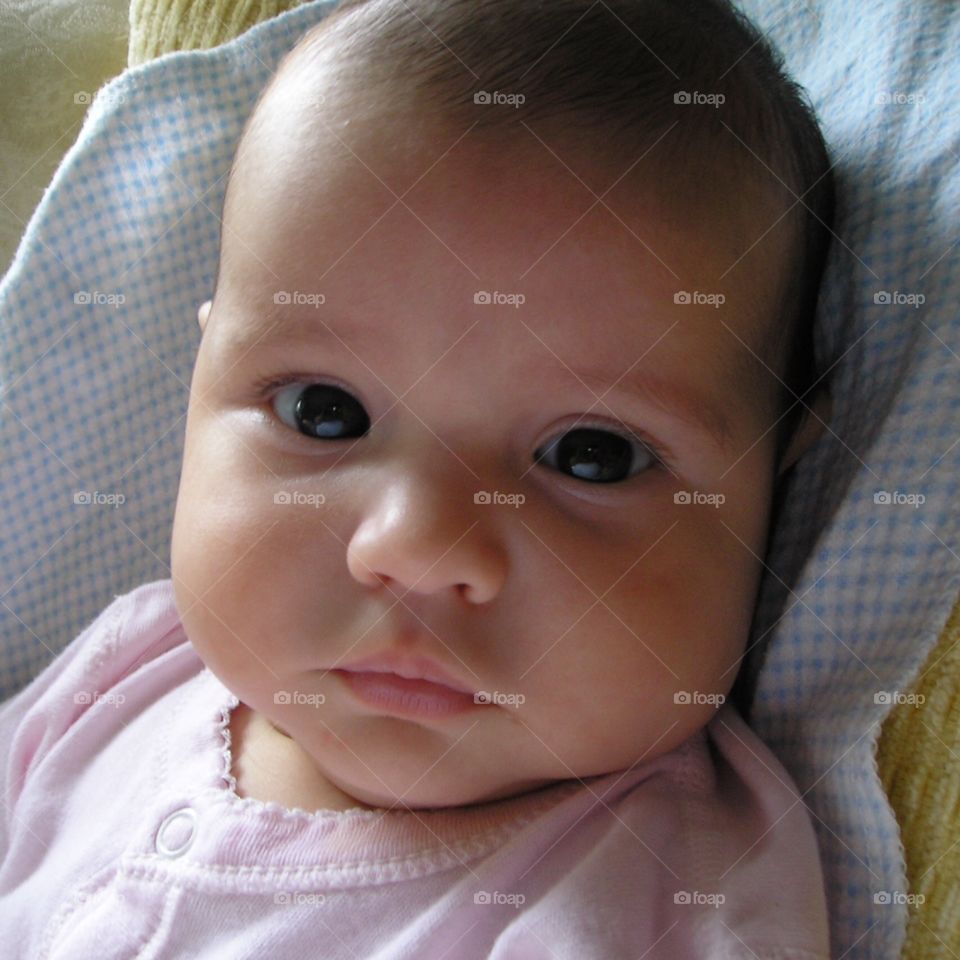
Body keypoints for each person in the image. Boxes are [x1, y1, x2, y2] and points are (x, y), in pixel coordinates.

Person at [0, 0, 836, 955]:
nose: (417, 546)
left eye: (590, 456)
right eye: (324, 411)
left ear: (778, 474)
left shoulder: (667, 903)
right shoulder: (119, 679)